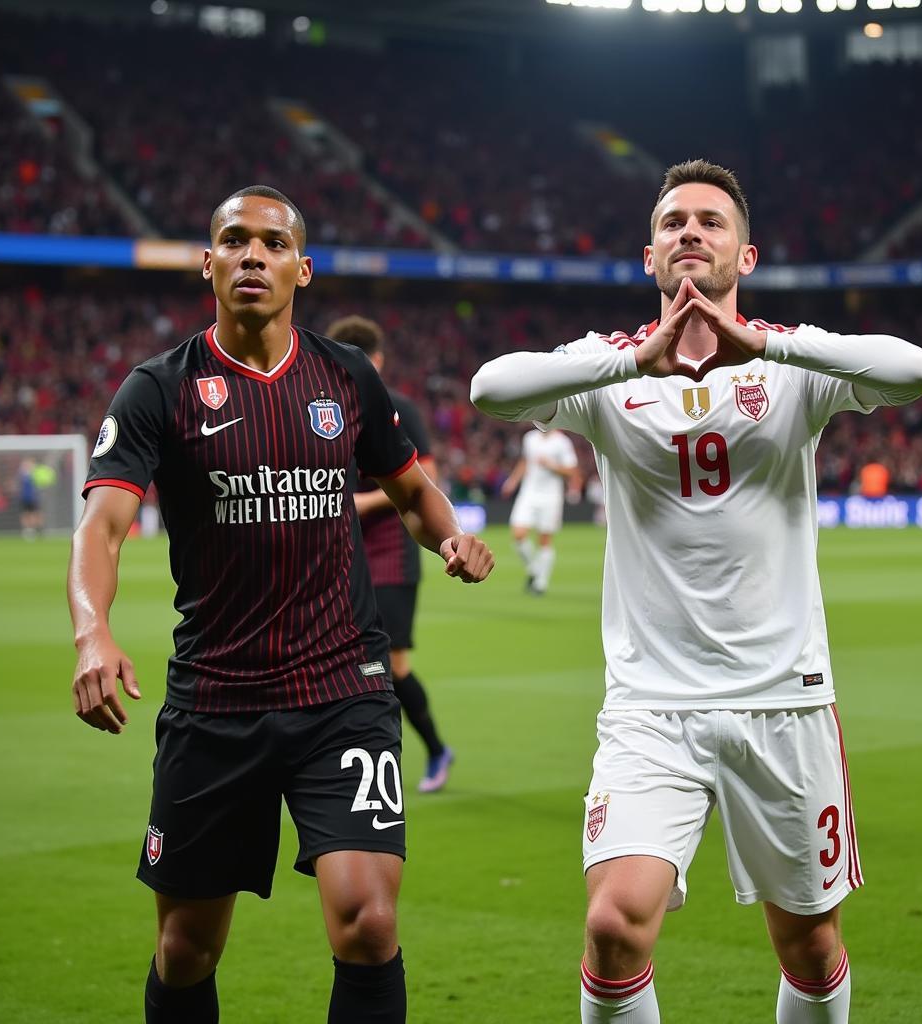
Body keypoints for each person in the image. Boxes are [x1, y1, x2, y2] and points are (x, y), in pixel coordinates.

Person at [471, 159, 922, 1024]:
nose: (690, 231)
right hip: (652, 705)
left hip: (785, 701)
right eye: (673, 222)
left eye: (710, 222)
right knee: (613, 928)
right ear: (649, 256)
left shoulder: (792, 365)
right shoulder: (608, 369)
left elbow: (915, 371)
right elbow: (489, 389)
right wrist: (631, 365)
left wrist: (763, 344)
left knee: (810, 945)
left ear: (744, 254)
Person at [68, 185, 494, 1024]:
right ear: (209, 264)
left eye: (271, 243)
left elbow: (410, 488)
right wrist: (93, 632)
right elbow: (103, 527)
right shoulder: (159, 389)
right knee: (187, 949)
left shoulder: (346, 377)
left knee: (369, 924)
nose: (252, 255)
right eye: (233, 241)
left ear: (302, 268)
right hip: (216, 703)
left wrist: (447, 535)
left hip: (344, 690)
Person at [324, 314, 454, 793]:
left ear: (374, 361)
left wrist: (358, 502)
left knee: (392, 667)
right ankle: (357, 768)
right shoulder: (321, 407)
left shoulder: (398, 407)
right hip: (340, 556)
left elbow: (427, 478)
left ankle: (436, 750)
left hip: (392, 552)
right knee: (350, 667)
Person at [500, 426, 579, 595]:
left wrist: (551, 465)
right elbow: (525, 462)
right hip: (528, 493)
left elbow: (571, 470)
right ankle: (535, 570)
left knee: (544, 539)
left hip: (551, 496)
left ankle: (540, 584)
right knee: (518, 534)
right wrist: (513, 481)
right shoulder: (530, 438)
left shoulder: (562, 442)